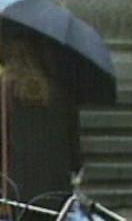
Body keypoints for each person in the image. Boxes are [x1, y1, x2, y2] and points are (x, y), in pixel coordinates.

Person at [0, 34, 81, 220]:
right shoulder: (60, 91)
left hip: (15, 192)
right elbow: (74, 149)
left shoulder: (4, 91)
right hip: (56, 192)